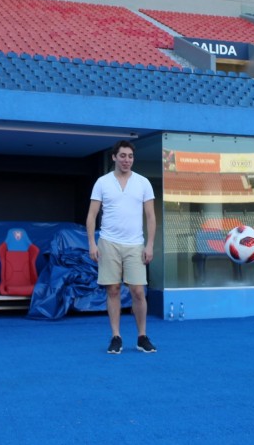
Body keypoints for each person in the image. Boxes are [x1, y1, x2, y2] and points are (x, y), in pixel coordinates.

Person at [86, 140, 157, 354]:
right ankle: (116, 336)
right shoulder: (102, 182)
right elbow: (91, 215)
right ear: (114, 157)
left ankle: (142, 336)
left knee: (137, 291)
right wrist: (91, 243)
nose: (127, 160)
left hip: (135, 244)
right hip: (108, 243)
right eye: (123, 156)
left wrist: (150, 245)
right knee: (113, 289)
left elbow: (151, 216)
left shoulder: (143, 182)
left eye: (130, 156)